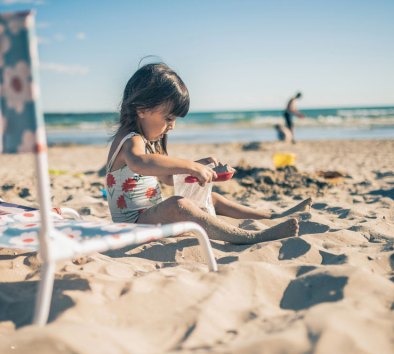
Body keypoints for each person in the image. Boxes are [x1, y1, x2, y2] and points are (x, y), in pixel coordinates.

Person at [105, 63, 311, 245]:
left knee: (212, 198)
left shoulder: (147, 143)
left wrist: (201, 167)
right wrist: (190, 166)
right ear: (141, 108)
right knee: (179, 204)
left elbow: (167, 178)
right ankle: (248, 237)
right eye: (168, 118)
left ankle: (272, 215)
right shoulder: (131, 140)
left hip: (150, 216)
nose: (172, 126)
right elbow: (140, 163)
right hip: (133, 224)